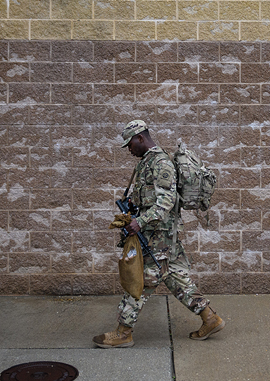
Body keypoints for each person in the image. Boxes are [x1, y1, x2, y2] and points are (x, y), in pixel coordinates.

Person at [93, 120, 225, 348]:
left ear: (140, 138)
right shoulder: (147, 162)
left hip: (158, 237)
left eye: (130, 144)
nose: (129, 149)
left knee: (141, 280)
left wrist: (140, 222)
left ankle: (123, 332)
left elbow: (166, 201)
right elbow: (150, 198)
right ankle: (210, 318)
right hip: (161, 236)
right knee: (174, 277)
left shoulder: (161, 162)